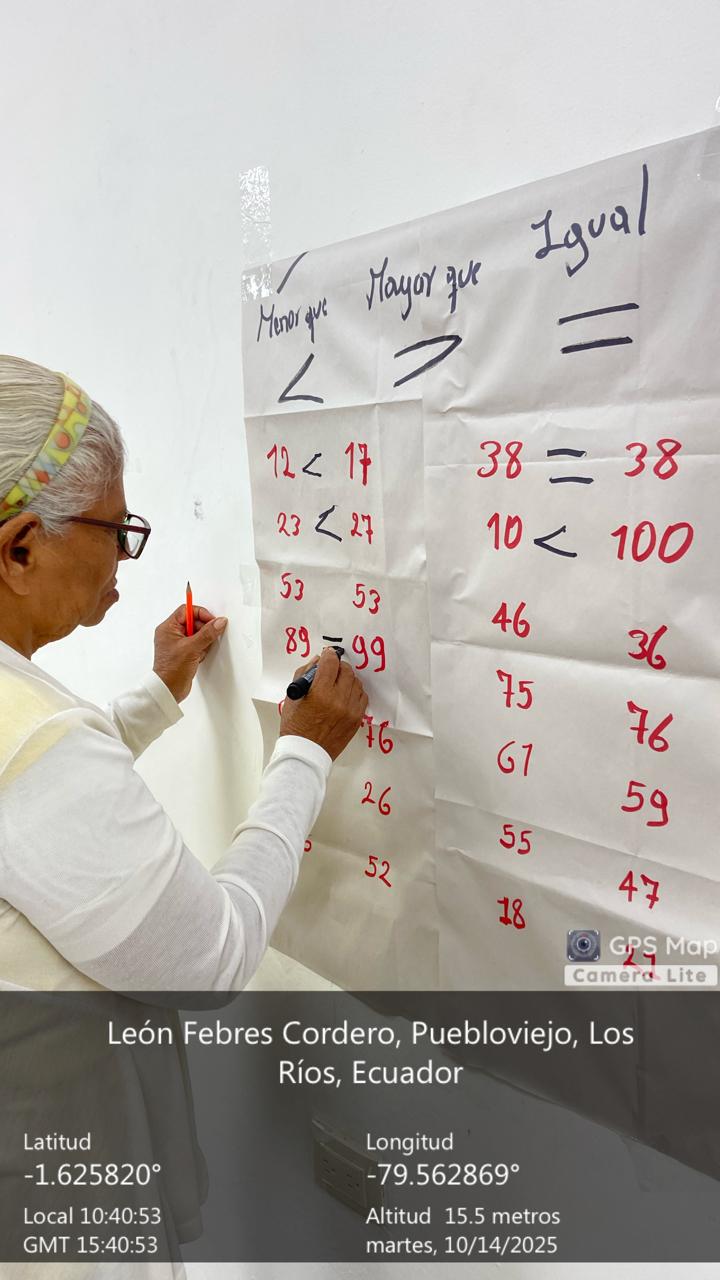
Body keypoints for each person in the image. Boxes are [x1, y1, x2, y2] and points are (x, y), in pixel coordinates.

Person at [0, 353, 368, 993]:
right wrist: (305, 753)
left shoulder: (31, 750)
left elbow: (39, 788)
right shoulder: (39, 756)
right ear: (21, 549)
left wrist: (158, 693)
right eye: (114, 529)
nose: (124, 553)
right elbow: (209, 963)